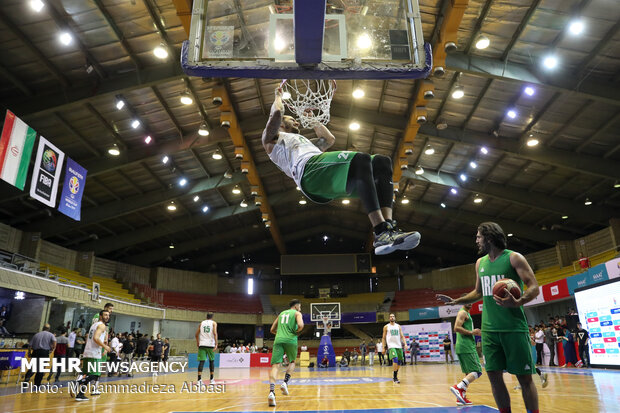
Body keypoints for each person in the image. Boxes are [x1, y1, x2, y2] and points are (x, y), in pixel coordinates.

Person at [262, 86, 420, 256]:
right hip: (308, 172)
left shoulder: (303, 143)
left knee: (382, 162)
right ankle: (381, 230)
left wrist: (313, 120)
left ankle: (387, 230)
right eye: (292, 120)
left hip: (320, 174)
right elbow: (276, 114)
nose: (297, 122)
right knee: (361, 159)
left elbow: (329, 140)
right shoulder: (270, 140)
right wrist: (277, 97)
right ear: (282, 124)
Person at [437, 222, 541, 413]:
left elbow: (534, 287)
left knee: (524, 379)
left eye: (478, 236)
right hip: (489, 330)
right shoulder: (480, 263)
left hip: (513, 327)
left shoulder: (514, 258)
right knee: (494, 377)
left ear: (489, 238)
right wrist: (456, 301)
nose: (476, 240)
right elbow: (478, 292)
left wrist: (518, 301)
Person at [268, 299, 304, 407]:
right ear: (296, 306)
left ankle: (271, 392)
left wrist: (279, 334)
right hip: (291, 340)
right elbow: (301, 325)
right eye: (300, 307)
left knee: (275, 366)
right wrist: (295, 331)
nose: (300, 309)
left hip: (278, 339)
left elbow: (272, 330)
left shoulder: (281, 314)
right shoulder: (297, 313)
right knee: (292, 361)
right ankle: (285, 382)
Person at [70, 310, 112, 402]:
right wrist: (105, 346)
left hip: (87, 352)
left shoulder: (93, 325)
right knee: (95, 375)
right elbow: (96, 338)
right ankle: (76, 383)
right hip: (94, 353)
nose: (107, 316)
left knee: (87, 374)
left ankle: (80, 394)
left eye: (108, 315)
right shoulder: (102, 325)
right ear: (100, 316)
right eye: (105, 315)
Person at [450, 301, 483, 406]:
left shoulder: (466, 313)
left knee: (468, 374)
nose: (469, 303)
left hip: (462, 346)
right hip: (467, 346)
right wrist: (471, 332)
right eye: (467, 302)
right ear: (463, 303)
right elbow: (456, 328)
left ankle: (461, 398)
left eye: (471, 302)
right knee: (477, 371)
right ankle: (458, 387)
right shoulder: (463, 312)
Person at [382, 313, 406, 384]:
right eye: (390, 317)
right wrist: (383, 347)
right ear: (389, 318)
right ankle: (395, 377)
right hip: (391, 346)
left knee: (399, 362)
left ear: (395, 318)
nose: (392, 317)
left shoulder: (398, 326)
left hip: (398, 346)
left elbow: (402, 336)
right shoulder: (386, 327)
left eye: (393, 316)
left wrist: (405, 344)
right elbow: (383, 338)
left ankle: (395, 372)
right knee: (395, 359)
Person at [195, 313, 218, 384]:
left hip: (202, 344)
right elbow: (214, 333)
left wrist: (198, 342)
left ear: (206, 317)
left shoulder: (202, 323)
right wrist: (216, 344)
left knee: (201, 362)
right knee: (212, 361)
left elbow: (196, 334)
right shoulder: (214, 323)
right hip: (210, 344)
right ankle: (211, 379)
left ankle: (199, 380)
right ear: (212, 317)